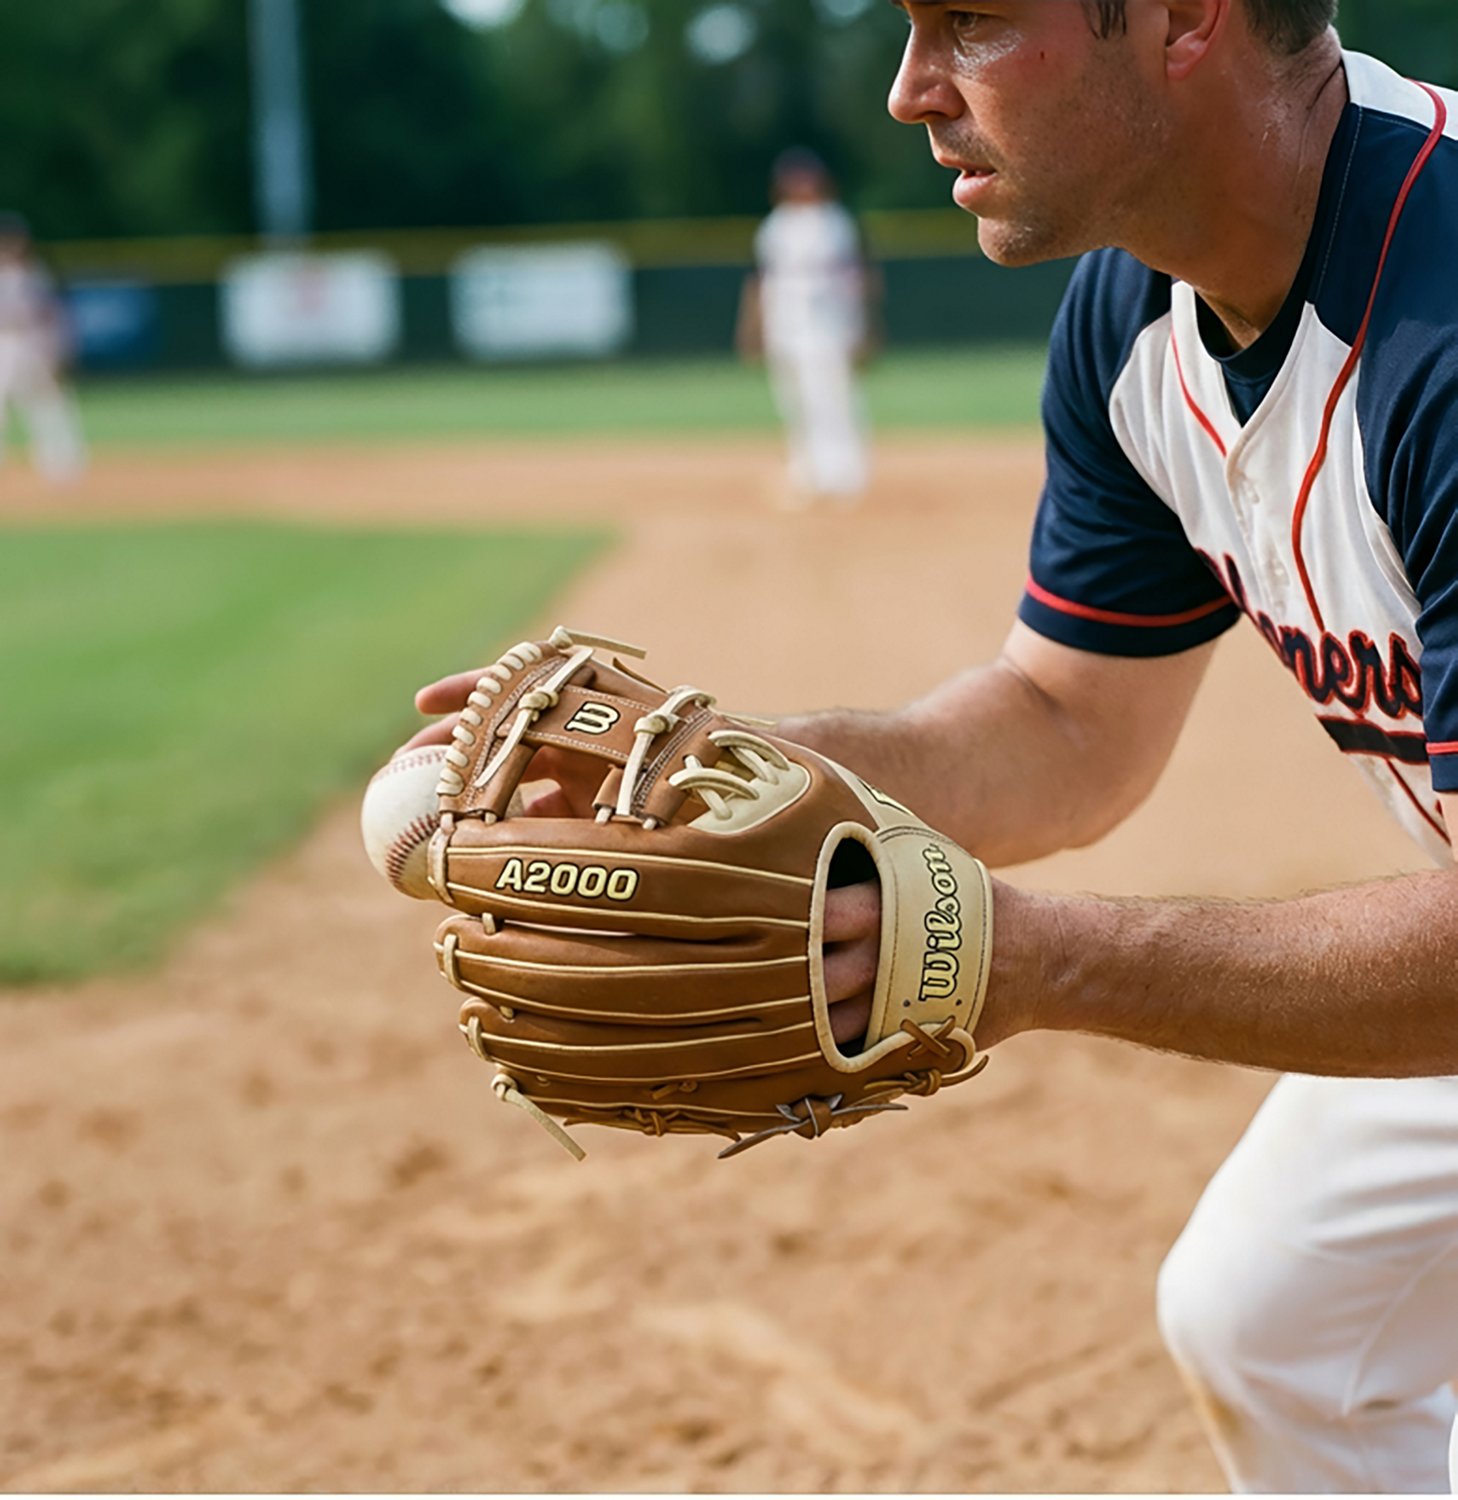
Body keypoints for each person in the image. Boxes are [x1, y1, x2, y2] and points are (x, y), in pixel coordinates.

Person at [411, 1, 1458, 1489]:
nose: (908, 89)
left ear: (1178, 20)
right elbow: (1061, 726)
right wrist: (722, 767)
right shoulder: (1133, 319)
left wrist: (1036, 959)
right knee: (1268, 1320)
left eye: (966, 22)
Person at [736, 148, 878, 507]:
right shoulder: (775, 226)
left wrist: (864, 325)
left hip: (831, 326)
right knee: (794, 400)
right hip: (787, 326)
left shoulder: (835, 222)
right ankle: (809, 471)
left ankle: (846, 474)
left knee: (835, 398)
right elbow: (761, 283)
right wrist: (753, 328)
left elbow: (857, 278)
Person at [0, 213, 87, 484]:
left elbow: (52, 315)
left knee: (48, 404)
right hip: (4, 343)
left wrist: (56, 350)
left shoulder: (35, 273)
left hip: (31, 342)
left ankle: (62, 465)